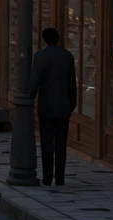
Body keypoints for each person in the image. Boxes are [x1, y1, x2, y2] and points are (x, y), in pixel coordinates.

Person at [29, 27, 78, 186]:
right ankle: (60, 177)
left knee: (46, 143)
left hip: (46, 106)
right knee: (61, 144)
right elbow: (72, 83)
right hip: (64, 106)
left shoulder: (41, 56)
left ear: (44, 40)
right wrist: (72, 103)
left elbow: (35, 80)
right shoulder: (67, 56)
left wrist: (29, 98)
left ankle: (48, 177)